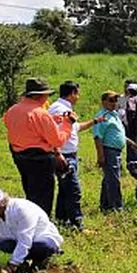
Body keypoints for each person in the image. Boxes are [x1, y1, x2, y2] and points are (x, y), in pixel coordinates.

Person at [4, 78, 76, 216]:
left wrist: (50, 123)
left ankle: (29, 221)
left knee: (31, 192)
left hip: (20, 156)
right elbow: (58, 141)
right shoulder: (40, 113)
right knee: (43, 198)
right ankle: (39, 229)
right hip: (39, 159)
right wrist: (68, 123)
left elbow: (12, 124)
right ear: (40, 95)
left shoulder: (13, 110)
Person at [0, 186, 64, 273]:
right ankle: (23, 263)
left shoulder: (22, 210)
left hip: (41, 239)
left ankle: (42, 260)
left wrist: (11, 266)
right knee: (4, 246)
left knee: (42, 246)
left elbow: (25, 240)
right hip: (19, 242)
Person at [48, 82, 98, 230]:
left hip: (67, 154)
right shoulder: (60, 110)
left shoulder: (64, 109)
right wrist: (58, 154)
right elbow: (53, 134)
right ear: (73, 93)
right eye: (78, 93)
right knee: (73, 190)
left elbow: (75, 128)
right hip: (64, 155)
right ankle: (77, 224)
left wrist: (94, 121)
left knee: (65, 190)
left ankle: (62, 220)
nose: (79, 97)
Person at [94, 91, 126, 213]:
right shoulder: (103, 116)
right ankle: (117, 207)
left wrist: (131, 143)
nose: (114, 103)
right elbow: (98, 137)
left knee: (109, 178)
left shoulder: (114, 115)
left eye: (115, 100)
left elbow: (117, 133)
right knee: (113, 180)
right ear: (103, 102)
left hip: (116, 151)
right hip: (109, 151)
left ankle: (105, 205)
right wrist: (100, 155)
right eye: (111, 100)